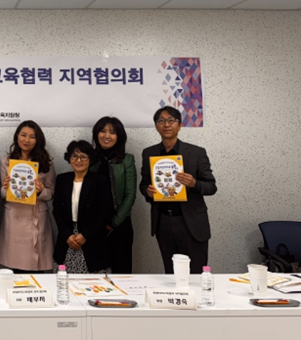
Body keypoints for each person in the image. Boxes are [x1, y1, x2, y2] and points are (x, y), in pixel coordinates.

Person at [139, 106, 217, 274]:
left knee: (195, 272)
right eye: (161, 121)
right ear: (156, 126)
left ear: (179, 125)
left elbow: (211, 186)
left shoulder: (196, 152)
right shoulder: (149, 153)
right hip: (163, 221)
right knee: (171, 272)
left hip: (191, 222)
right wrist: (147, 191)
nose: (166, 124)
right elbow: (144, 184)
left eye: (171, 120)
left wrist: (194, 183)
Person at [0, 120, 56, 273]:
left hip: (36, 217)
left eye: (32, 137)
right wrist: (7, 188)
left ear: (38, 140)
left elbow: (51, 193)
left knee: (35, 270)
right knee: (15, 269)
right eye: (23, 135)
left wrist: (40, 191)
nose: (26, 140)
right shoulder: (7, 161)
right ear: (17, 136)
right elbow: (1, 193)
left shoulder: (46, 163)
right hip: (14, 217)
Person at [53, 140, 113, 274]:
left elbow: (105, 212)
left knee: (93, 283)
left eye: (83, 157)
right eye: (74, 156)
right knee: (65, 281)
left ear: (90, 159)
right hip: (67, 239)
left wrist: (86, 234)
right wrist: (67, 235)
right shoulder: (62, 180)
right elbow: (57, 210)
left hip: (92, 240)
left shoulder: (100, 181)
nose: (78, 160)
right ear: (69, 158)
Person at [90, 116, 137, 273]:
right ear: (96, 134)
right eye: (102, 131)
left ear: (119, 137)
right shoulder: (89, 159)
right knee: (94, 275)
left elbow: (130, 195)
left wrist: (114, 223)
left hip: (120, 225)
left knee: (121, 272)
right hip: (93, 226)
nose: (107, 136)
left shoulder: (127, 160)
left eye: (112, 132)